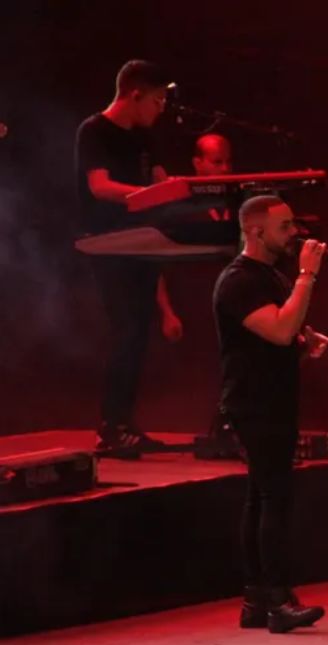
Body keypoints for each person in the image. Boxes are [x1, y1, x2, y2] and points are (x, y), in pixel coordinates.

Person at [213, 195, 328, 633]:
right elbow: (279, 330)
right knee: (274, 498)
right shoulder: (239, 280)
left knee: (262, 496)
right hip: (254, 402)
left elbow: (282, 331)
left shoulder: (266, 277)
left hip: (272, 398)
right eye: (284, 227)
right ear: (256, 231)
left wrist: (306, 340)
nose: (294, 233)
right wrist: (307, 274)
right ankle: (277, 600)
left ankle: (256, 600)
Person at [75, 59, 172, 453]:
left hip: (142, 240)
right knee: (126, 328)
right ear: (135, 94)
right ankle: (110, 425)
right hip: (108, 241)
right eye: (157, 100)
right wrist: (146, 194)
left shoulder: (146, 137)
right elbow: (99, 186)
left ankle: (125, 421)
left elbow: (164, 182)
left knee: (140, 331)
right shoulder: (94, 131)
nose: (161, 109)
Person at [154, 133, 237, 346]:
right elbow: (156, 267)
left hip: (229, 312)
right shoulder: (178, 207)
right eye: (217, 162)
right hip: (190, 310)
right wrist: (167, 312)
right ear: (197, 163)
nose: (225, 169)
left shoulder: (238, 202)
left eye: (228, 162)